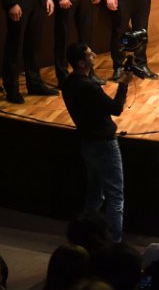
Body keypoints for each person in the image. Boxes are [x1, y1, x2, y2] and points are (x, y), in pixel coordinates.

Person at [61, 42, 133, 242]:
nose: (94, 54)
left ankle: (85, 236)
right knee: (115, 195)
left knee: (95, 194)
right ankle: (114, 243)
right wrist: (124, 83)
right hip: (104, 145)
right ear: (82, 62)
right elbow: (116, 108)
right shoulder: (89, 86)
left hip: (86, 143)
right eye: (89, 54)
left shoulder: (69, 83)